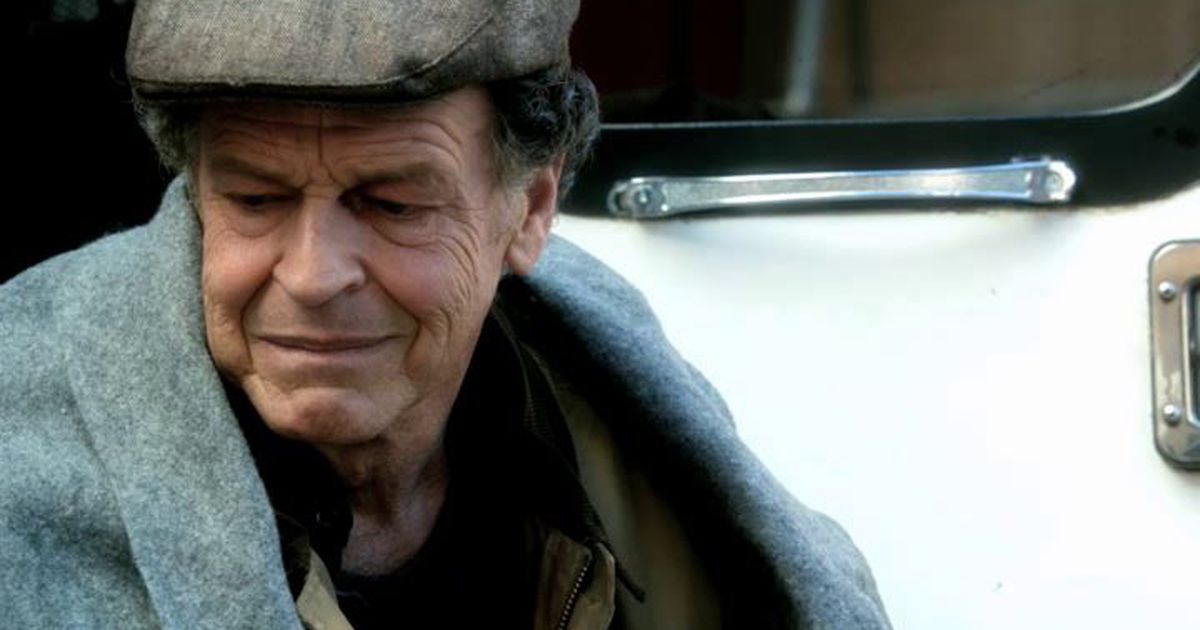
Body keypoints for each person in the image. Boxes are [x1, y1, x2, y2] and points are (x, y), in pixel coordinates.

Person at [0, 1, 891, 628]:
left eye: (391, 204)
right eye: (256, 200)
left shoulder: (622, 421)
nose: (312, 275)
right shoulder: (21, 456)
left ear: (530, 211)